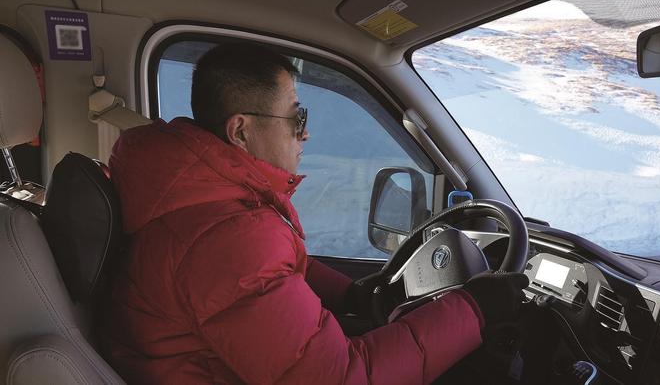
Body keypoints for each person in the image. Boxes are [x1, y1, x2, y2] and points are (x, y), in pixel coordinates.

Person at [101, 43, 529, 384]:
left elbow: (270, 276)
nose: (305, 131)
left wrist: (350, 293)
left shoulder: (207, 204)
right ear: (241, 131)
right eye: (295, 116)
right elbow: (339, 377)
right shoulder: (225, 236)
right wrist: (475, 309)